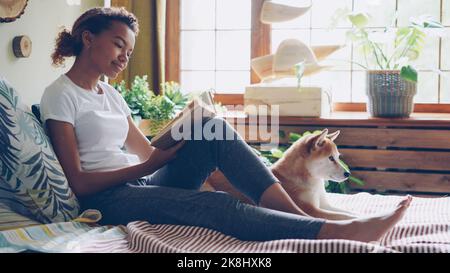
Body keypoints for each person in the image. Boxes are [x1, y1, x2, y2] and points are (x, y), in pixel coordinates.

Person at [40, 7, 411, 243]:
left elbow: (146, 151)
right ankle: (330, 232)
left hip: (138, 181)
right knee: (215, 204)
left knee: (214, 130)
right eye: (119, 45)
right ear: (89, 39)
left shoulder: (111, 95)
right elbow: (79, 182)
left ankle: (300, 218)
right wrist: (150, 166)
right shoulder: (60, 95)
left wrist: (186, 130)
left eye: (130, 52)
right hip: (106, 199)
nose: (124, 57)